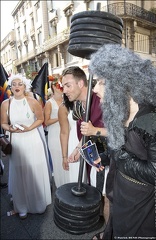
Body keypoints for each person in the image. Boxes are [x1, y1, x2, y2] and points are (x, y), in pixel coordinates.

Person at [89, 44, 156, 239]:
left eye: (100, 82)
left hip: (143, 207)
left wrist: (119, 153)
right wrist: (104, 157)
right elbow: (124, 148)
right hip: (120, 195)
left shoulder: (153, 116)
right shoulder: (120, 110)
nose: (94, 89)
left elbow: (155, 173)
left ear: (120, 81)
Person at [0, 74, 52, 219]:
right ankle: (21, 206)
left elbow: (41, 119)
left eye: (20, 84)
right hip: (17, 142)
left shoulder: (32, 101)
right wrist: (10, 129)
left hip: (32, 139)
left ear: (25, 87)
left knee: (34, 171)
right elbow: (3, 123)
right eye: (14, 84)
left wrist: (29, 128)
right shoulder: (6, 104)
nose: (17, 86)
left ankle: (37, 203)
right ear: (11, 86)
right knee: (19, 173)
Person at [62, 66, 108, 218]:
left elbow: (121, 131)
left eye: (68, 85)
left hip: (108, 158)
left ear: (81, 84)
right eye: (63, 87)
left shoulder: (102, 100)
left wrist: (95, 130)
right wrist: (77, 149)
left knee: (107, 197)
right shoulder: (78, 105)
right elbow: (85, 133)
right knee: (97, 192)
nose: (64, 90)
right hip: (92, 157)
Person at [44, 78, 68, 188]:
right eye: (60, 86)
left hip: (66, 134)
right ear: (54, 87)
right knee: (58, 162)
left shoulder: (67, 101)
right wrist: (60, 118)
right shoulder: (49, 103)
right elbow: (46, 121)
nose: (62, 88)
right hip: (54, 136)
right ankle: (61, 187)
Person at [58, 93, 87, 183]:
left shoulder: (90, 101)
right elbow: (64, 133)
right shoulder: (64, 107)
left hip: (91, 140)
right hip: (74, 141)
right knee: (77, 177)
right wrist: (64, 157)